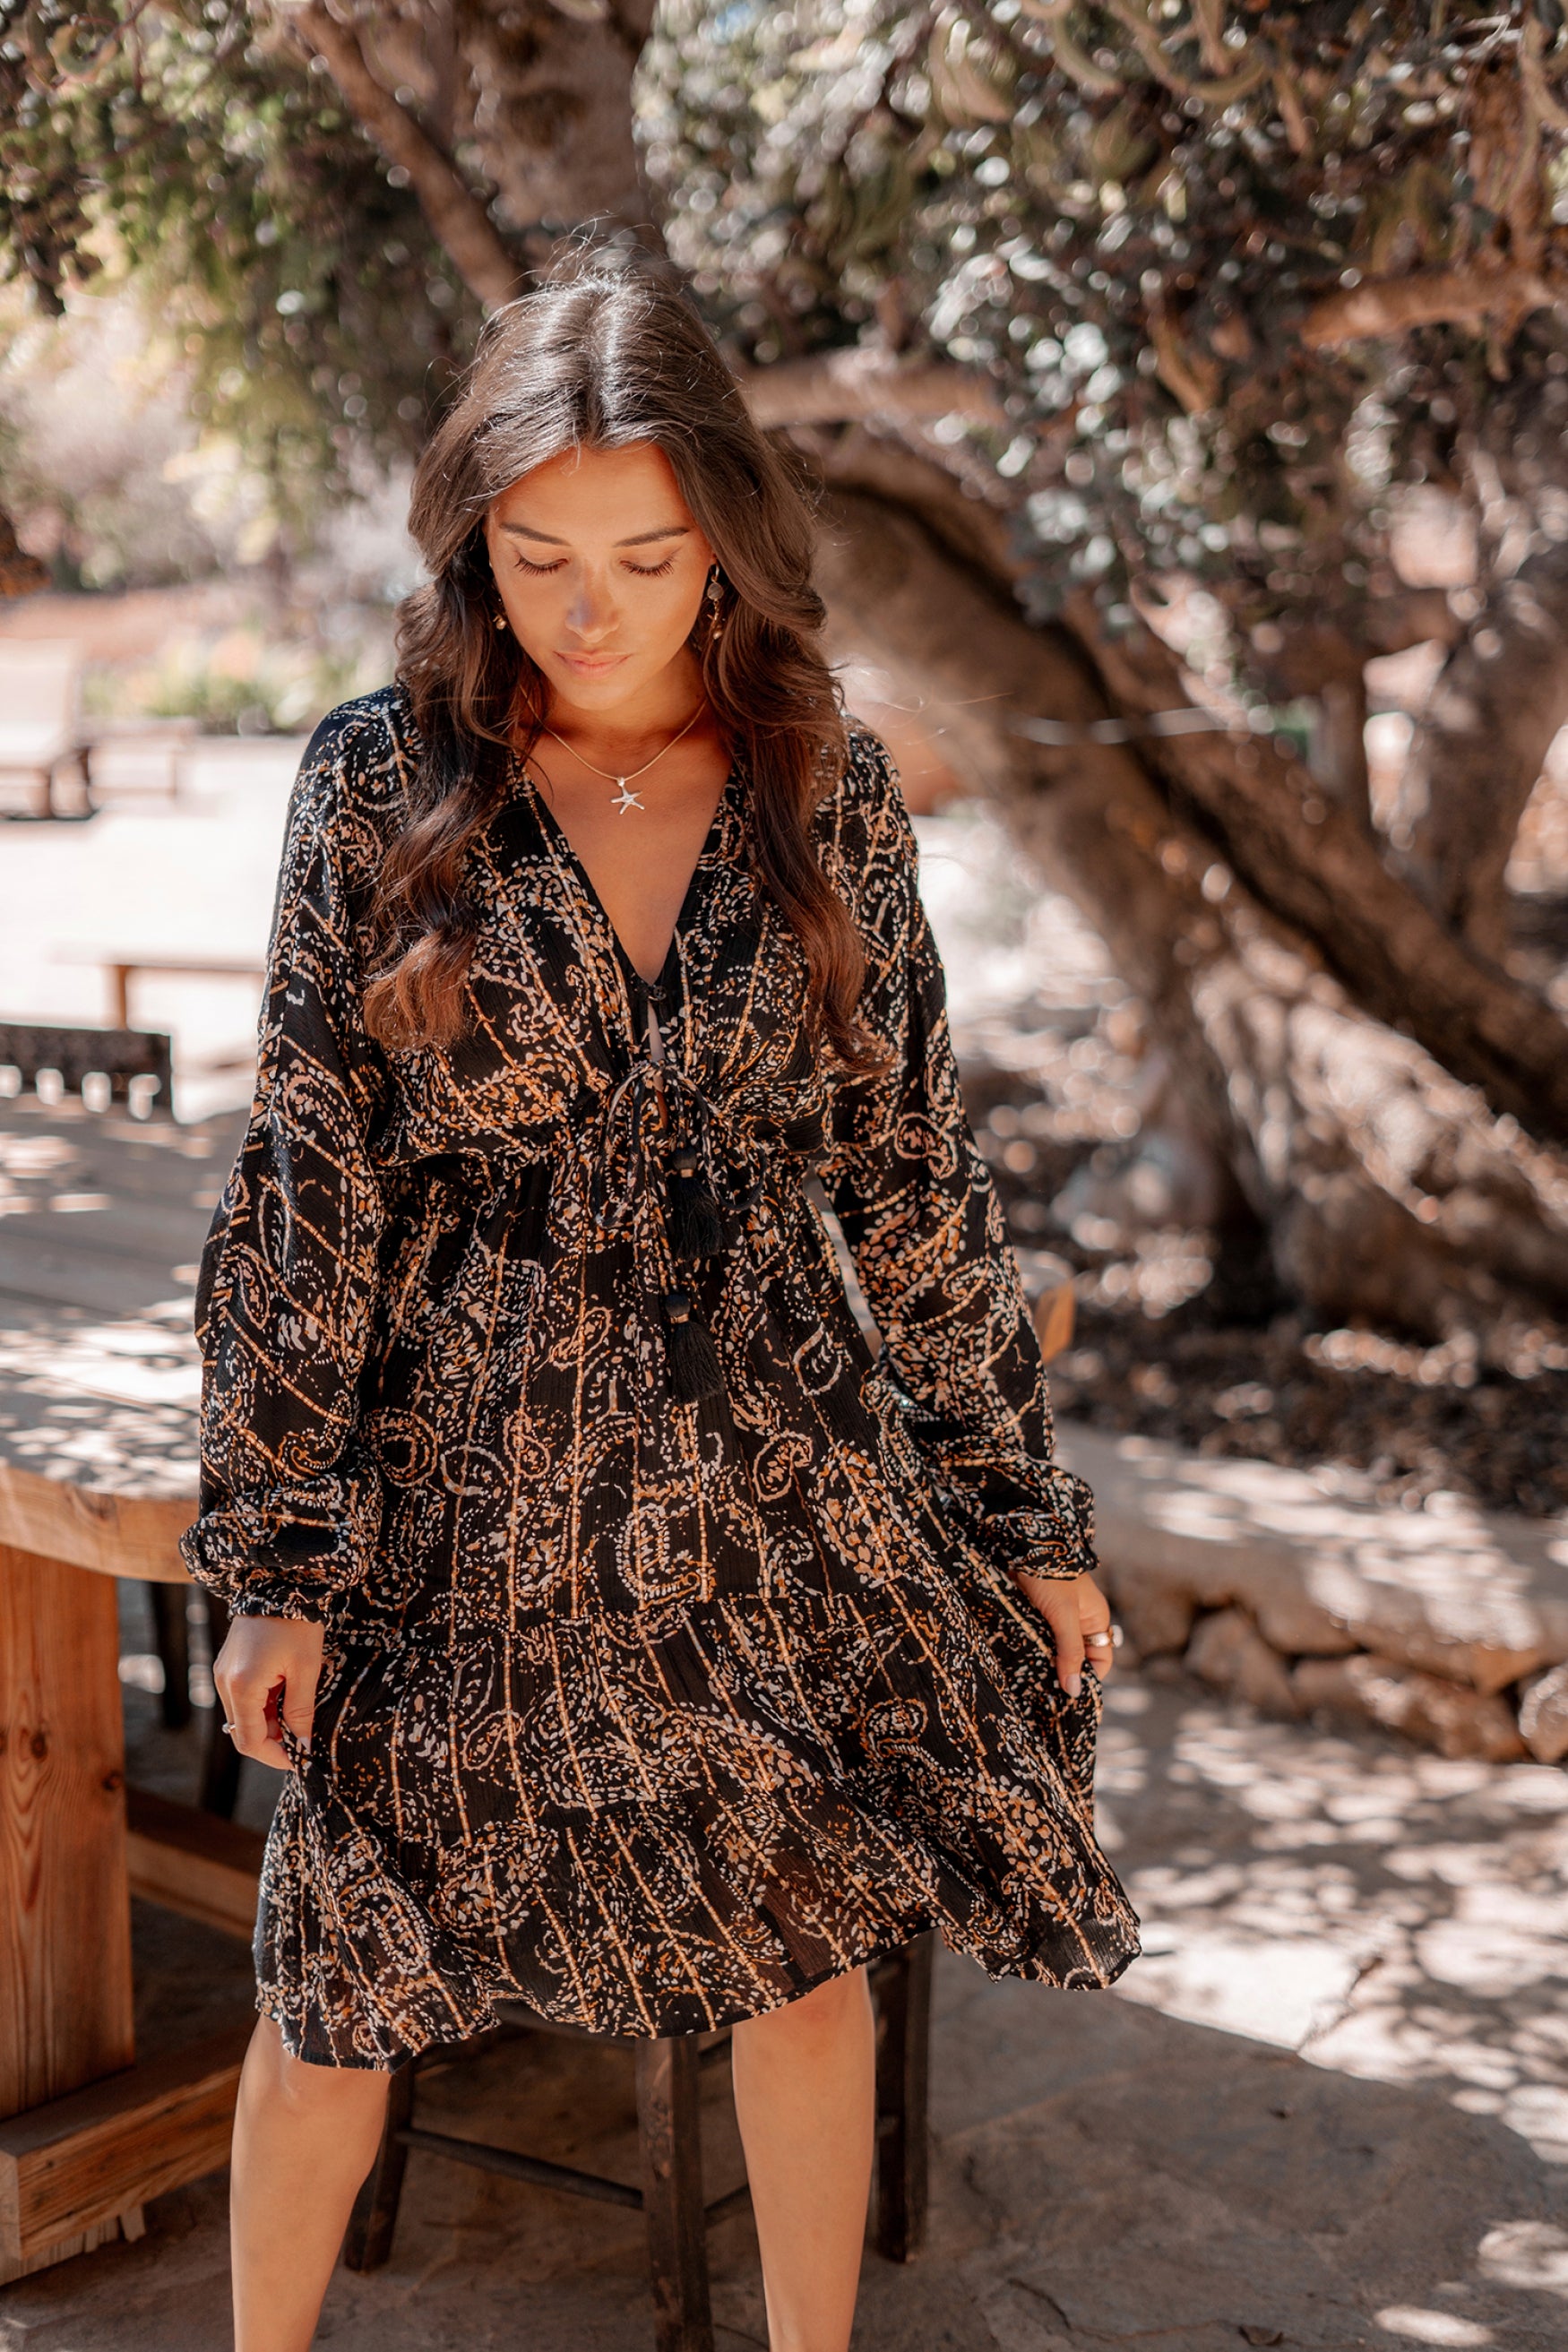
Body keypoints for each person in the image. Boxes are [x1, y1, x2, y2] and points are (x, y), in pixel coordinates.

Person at [185, 242, 1139, 2352]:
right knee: (336, 1982)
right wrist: (273, 1561)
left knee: (800, 1967)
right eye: (537, 558)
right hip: (457, 1504)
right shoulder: (375, 781)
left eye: (643, 555)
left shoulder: (822, 784)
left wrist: (1025, 1515)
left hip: (764, 1490)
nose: (590, 610)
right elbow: (310, 1190)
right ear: (473, 543)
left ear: (722, 540)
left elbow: (908, 1174)